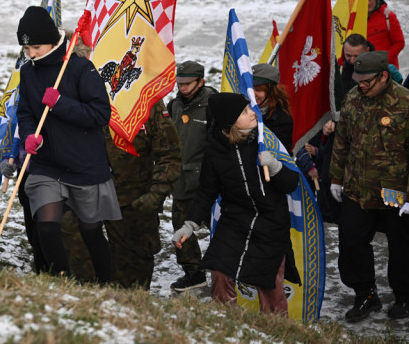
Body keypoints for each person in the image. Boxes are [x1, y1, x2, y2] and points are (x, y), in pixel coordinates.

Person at [15, 6, 121, 283]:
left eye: (35, 47)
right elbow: (25, 112)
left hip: (84, 163)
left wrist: (62, 104)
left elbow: (100, 115)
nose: (31, 54)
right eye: (26, 49)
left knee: (91, 231)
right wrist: (28, 135)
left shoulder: (79, 68)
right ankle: (64, 283)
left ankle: (107, 285)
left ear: (52, 41)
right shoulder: (28, 72)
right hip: (47, 164)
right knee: (46, 226)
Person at [173, 93, 301, 317]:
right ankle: (225, 323)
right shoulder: (214, 151)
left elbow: (291, 184)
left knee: (269, 284)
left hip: (271, 224)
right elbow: (206, 192)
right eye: (244, 112)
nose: (253, 113)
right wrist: (189, 225)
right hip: (234, 221)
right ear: (229, 121)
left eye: (249, 109)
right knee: (220, 273)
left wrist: (276, 166)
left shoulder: (265, 142)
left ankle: (278, 330)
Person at [64, 100, 181, 289]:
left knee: (132, 281)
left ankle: (128, 312)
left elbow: (170, 153)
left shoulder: (146, 98)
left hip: (132, 203)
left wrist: (155, 194)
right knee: (80, 262)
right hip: (84, 194)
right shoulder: (81, 93)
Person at [329, 50, 409, 322]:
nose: (360, 84)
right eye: (358, 79)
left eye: (367, 80)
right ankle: (365, 294)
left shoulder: (405, 102)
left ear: (384, 76)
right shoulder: (352, 99)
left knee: (402, 245)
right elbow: (341, 142)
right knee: (351, 242)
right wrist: (337, 178)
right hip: (358, 189)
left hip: (395, 190)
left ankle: (405, 296)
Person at [167, 60, 216, 292]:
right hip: (182, 180)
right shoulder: (175, 105)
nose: (182, 88)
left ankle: (228, 273)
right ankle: (193, 272)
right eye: (179, 83)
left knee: (221, 227)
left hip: (209, 181)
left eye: (188, 83)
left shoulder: (212, 104)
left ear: (201, 82)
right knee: (180, 225)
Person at [251, 63, 294, 152]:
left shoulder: (282, 120)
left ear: (271, 92)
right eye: (250, 89)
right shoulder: (241, 107)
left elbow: (281, 154)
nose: (252, 94)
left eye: (258, 90)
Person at [367, 0, 404, 68]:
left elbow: (399, 42)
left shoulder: (388, 16)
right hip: (366, 70)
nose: (368, 3)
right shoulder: (356, 20)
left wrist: (385, 60)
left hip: (387, 70)